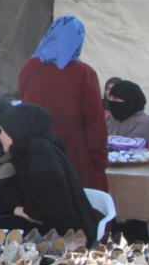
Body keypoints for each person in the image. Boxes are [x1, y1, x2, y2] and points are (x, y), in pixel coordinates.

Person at [18, 16, 108, 191]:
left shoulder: (29, 67)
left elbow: (24, 106)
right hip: (75, 151)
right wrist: (99, 155)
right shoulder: (83, 73)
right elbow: (95, 120)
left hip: (37, 150)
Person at [0, 103, 99, 244]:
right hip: (56, 233)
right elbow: (10, 195)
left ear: (17, 129)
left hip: (67, 241)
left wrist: (18, 210)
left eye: (3, 130)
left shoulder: (39, 151)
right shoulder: (31, 150)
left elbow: (43, 210)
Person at [105, 79, 149, 144]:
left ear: (129, 100)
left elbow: (132, 147)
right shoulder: (108, 118)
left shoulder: (143, 122)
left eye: (115, 98)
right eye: (110, 98)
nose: (111, 101)